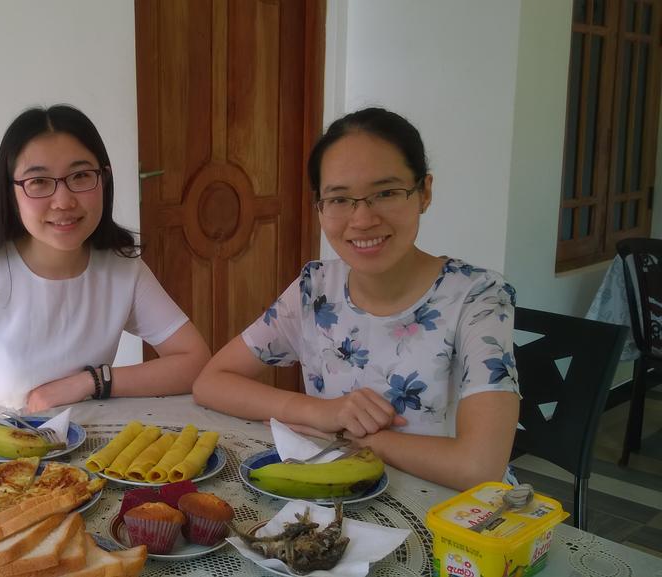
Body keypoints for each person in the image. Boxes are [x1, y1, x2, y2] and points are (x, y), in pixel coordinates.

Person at [192, 107, 519, 491]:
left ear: (424, 192)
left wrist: (361, 439)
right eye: (339, 199)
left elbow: (479, 466)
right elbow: (211, 382)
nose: (362, 219)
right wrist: (321, 412)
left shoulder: (477, 299)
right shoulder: (315, 290)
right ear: (320, 208)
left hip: (456, 524)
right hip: (342, 500)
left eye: (386, 193)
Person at [0, 105, 210, 435]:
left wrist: (92, 382)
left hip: (87, 450)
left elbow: (194, 360)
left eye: (80, 176)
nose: (63, 201)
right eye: (39, 181)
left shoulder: (121, 268)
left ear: (104, 178)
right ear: (10, 191)